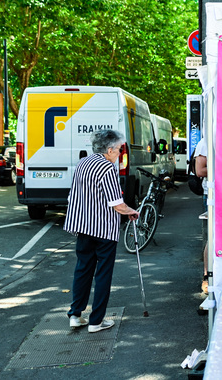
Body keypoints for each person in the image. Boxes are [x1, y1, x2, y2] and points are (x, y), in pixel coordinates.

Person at [64, 130, 139, 333]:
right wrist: (131, 211)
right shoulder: (107, 167)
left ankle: (75, 314)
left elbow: (74, 194)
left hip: (82, 226)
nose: (120, 153)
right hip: (103, 229)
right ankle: (96, 321)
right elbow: (116, 203)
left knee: (83, 269)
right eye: (119, 149)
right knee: (103, 274)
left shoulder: (83, 163)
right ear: (109, 149)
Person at [194, 137, 209, 294]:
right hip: (213, 193)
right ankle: (207, 277)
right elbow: (200, 171)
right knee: (212, 237)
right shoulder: (205, 142)